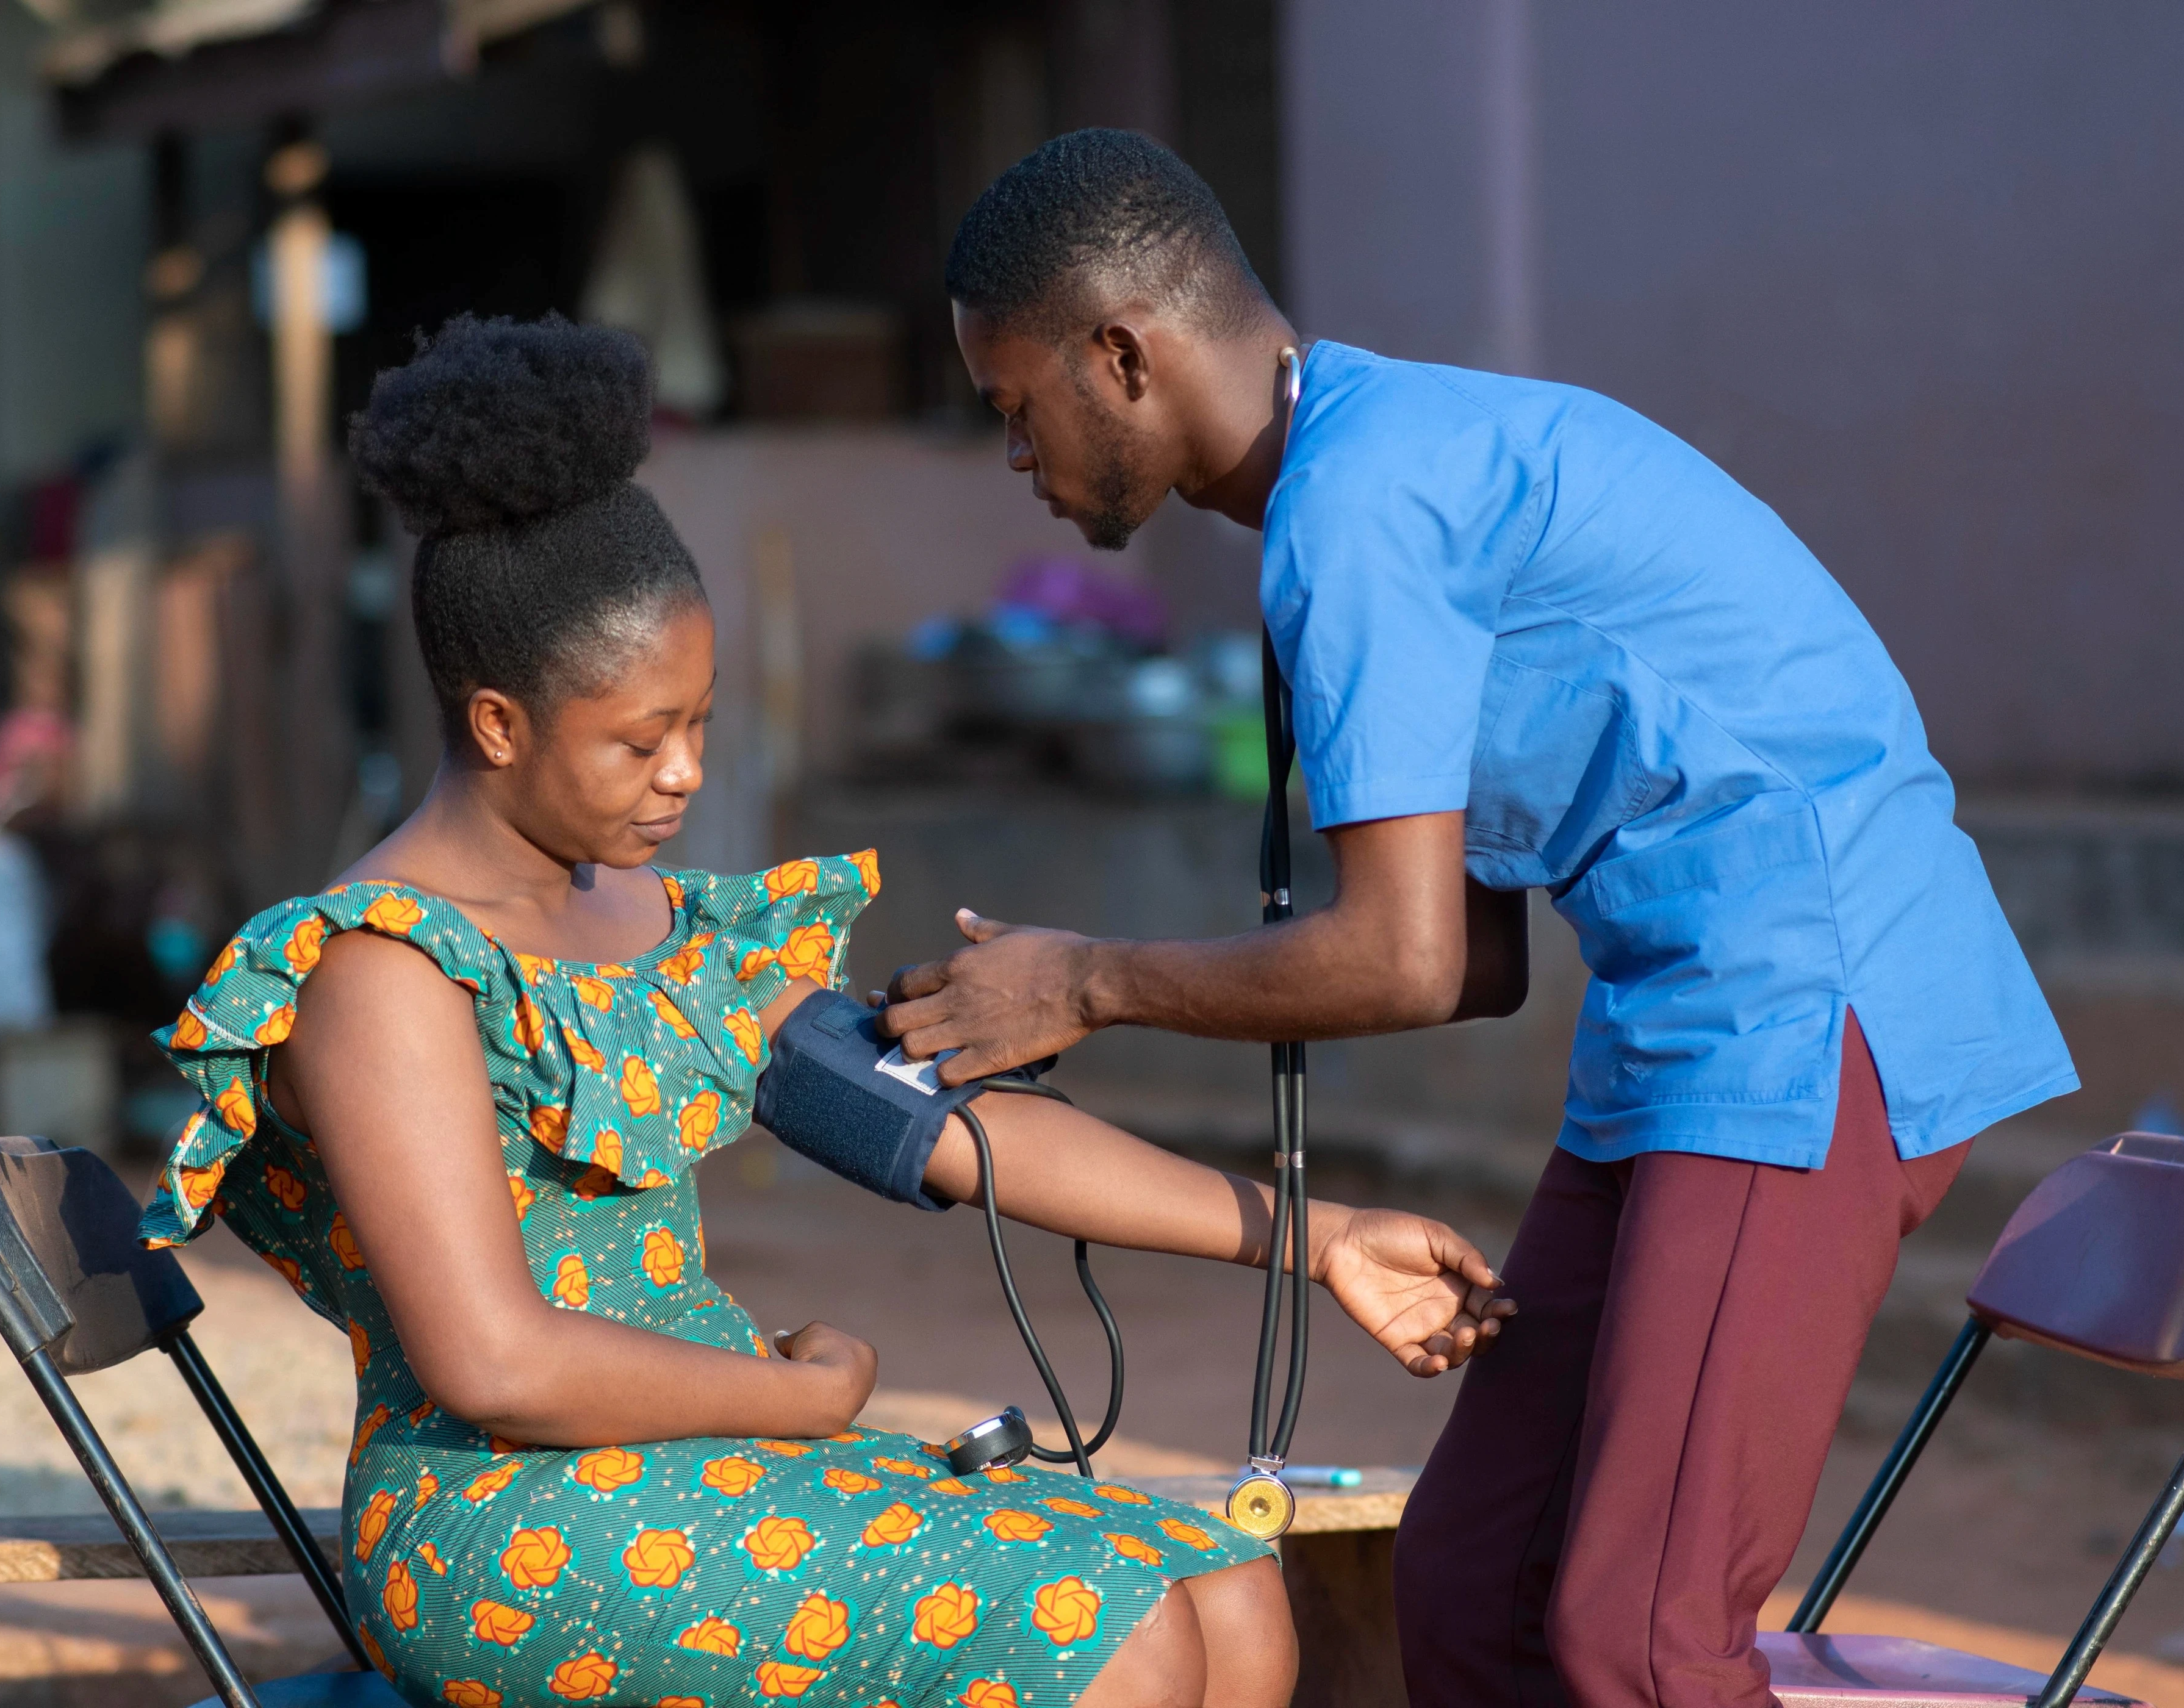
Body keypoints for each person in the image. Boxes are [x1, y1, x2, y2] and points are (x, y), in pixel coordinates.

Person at [135, 315, 1515, 1708]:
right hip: (511, 1524)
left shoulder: (660, 929)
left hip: (715, 1455)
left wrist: (1320, 1238)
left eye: (701, 725)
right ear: (497, 723)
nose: (681, 775)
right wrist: (793, 1400)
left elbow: (963, 1131)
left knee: (1229, 1590)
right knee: (1120, 1635)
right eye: (637, 739)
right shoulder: (384, 969)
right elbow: (495, 1360)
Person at [886, 131, 2080, 1708]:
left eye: (1015, 406)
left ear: (1122, 356)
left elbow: (1407, 957)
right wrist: (1078, 985)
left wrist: (1087, 983)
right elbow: (1477, 965)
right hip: (1678, 1027)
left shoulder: (1360, 506)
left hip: (1807, 1007)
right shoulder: (1376, 456)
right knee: (1474, 1589)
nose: (1018, 455)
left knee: (1642, 1640)